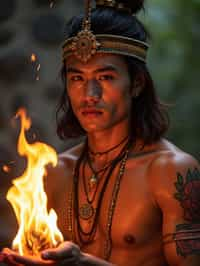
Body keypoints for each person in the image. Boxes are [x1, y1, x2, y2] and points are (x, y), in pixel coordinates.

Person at [1, 0, 200, 265]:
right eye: (77, 79)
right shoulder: (54, 172)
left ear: (137, 83)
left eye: (105, 78)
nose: (90, 95)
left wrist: (88, 264)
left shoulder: (171, 172)